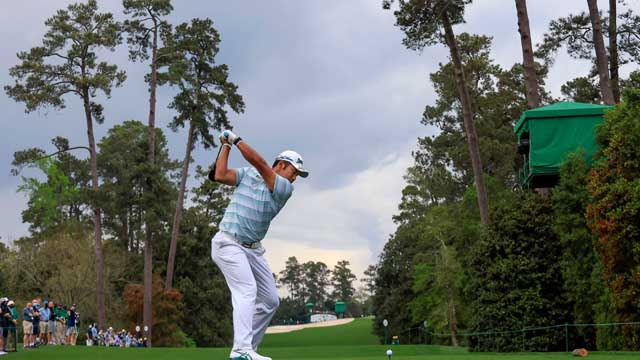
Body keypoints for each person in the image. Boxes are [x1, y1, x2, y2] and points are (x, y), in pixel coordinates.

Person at [210, 130, 308, 360]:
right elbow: (220, 175)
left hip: (252, 249)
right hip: (228, 243)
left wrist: (235, 140)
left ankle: (246, 349)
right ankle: (241, 351)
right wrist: (225, 146)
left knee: (270, 300)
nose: (295, 178)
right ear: (283, 165)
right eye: (295, 172)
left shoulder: (284, 189)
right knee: (247, 290)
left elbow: (260, 163)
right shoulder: (248, 175)